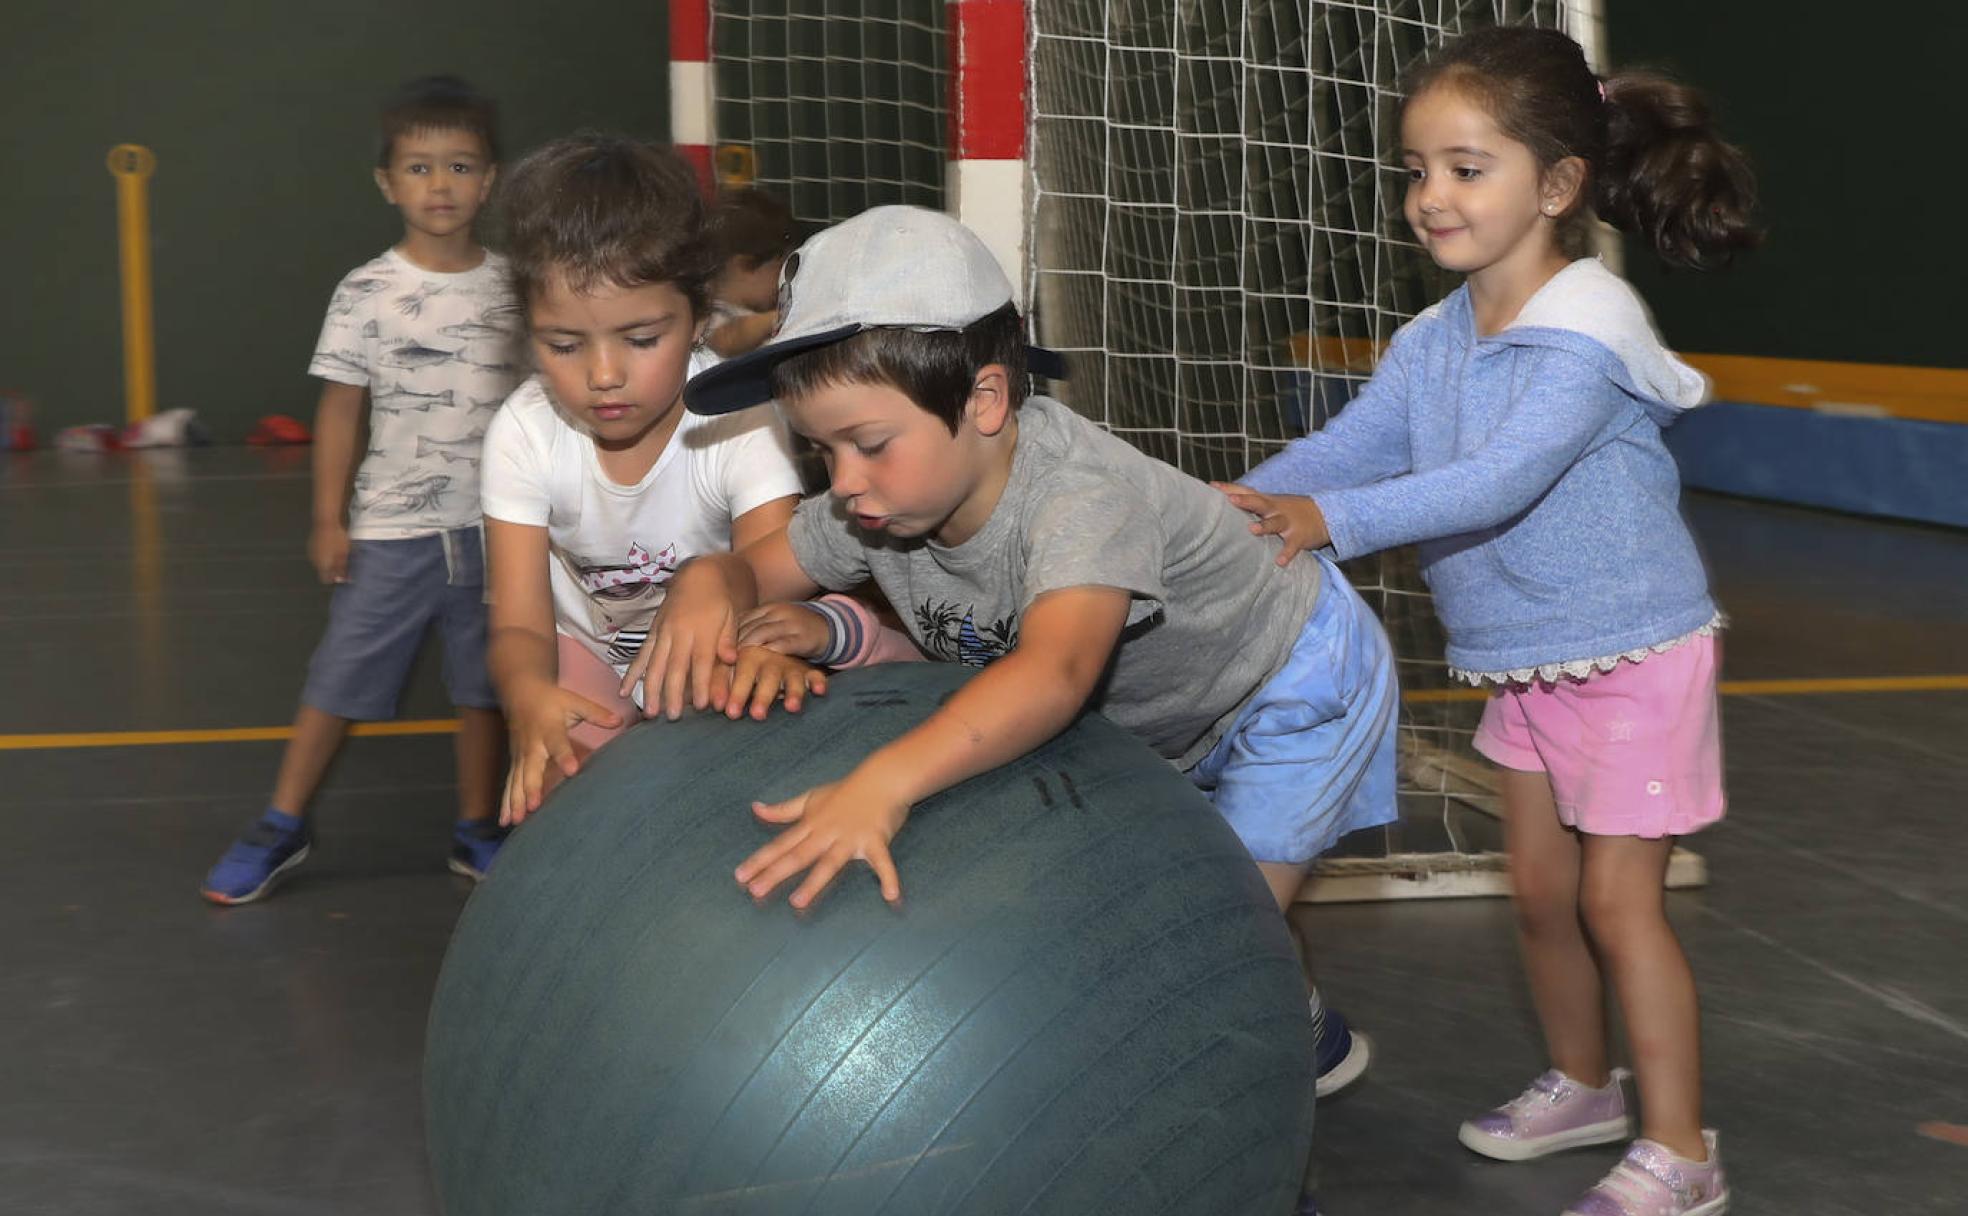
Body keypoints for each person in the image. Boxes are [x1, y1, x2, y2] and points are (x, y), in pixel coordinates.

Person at [640, 204, 1399, 1100]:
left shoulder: (1078, 499)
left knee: (1210, 932)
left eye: (870, 444)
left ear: (986, 401)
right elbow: (748, 571)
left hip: (1291, 676)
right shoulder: (877, 508)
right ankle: (1306, 1026)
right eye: (823, 449)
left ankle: (1256, 1157)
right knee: (1230, 902)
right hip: (1166, 715)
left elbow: (1055, 674)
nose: (843, 481)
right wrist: (705, 583)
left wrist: (884, 783)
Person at [1217, 26, 1756, 1216]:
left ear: (1558, 185)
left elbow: (1490, 484)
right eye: (1417, 170)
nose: (1431, 197)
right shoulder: (1439, 336)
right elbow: (1356, 444)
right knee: (1538, 893)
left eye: (1467, 168)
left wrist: (1323, 518)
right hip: (1528, 664)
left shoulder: (1585, 330)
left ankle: (1683, 1152)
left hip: (1632, 652)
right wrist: (1247, 500)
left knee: (1620, 904)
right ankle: (1582, 1082)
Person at [201, 76, 522, 905]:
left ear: (489, 179)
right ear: (387, 183)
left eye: (460, 166)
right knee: (339, 679)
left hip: (499, 530)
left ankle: (477, 827)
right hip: (392, 530)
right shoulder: (366, 291)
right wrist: (326, 517)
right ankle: (282, 821)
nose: (440, 185)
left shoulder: (516, 288)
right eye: (419, 168)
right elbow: (340, 409)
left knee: (486, 685)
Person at [477, 134, 827, 825]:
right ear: (529, 332)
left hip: (711, 641)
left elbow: (776, 561)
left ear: (699, 317)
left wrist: (756, 648)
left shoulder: (740, 419)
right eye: (564, 345)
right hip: (586, 651)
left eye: (641, 340)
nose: (604, 375)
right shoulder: (522, 433)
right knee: (558, 799)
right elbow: (520, 621)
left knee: (756, 763)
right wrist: (527, 698)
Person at [703, 187, 797, 358]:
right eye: (779, 268)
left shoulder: (751, 313)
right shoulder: (710, 314)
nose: (784, 280)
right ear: (745, 265)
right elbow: (726, 340)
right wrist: (778, 317)